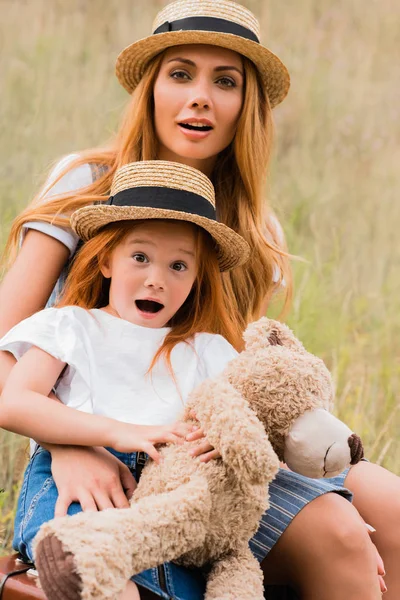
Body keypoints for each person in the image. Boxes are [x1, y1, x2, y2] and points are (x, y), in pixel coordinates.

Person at [0, 0, 397, 598]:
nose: (201, 97)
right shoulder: (89, 183)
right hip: (98, 431)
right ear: (152, 87)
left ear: (248, 106)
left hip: (204, 447)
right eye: (180, 74)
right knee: (338, 532)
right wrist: (71, 441)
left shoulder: (252, 229)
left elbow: (234, 377)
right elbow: (5, 347)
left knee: (390, 509)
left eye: (226, 81)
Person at [0, 160, 249, 599]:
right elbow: (14, 403)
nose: (156, 280)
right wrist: (121, 432)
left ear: (195, 280)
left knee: (177, 584)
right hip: (78, 476)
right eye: (140, 257)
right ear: (107, 260)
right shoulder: (70, 326)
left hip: (169, 497)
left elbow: (254, 424)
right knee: (95, 570)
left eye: (178, 266)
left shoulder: (207, 350)